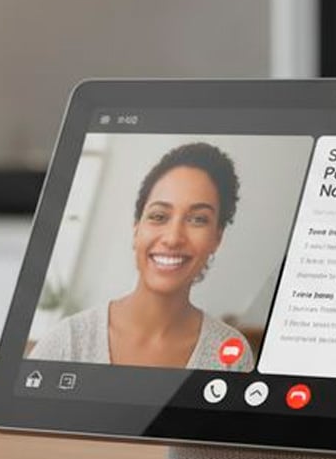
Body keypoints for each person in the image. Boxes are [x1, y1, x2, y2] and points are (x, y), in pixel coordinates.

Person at [30, 142, 253, 371]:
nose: (173, 238)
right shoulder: (67, 341)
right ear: (136, 229)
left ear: (217, 238)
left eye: (198, 219)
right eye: (159, 216)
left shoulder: (230, 353)